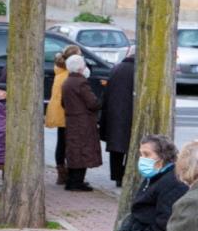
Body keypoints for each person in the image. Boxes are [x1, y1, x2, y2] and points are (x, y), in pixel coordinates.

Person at [62, 55, 102, 191]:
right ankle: (77, 182)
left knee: (73, 150)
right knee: (83, 150)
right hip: (83, 122)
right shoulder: (81, 83)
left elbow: (63, 103)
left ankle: (72, 180)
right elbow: (92, 103)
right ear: (80, 68)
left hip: (71, 120)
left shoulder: (67, 82)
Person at [45, 45, 82, 185]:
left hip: (59, 111)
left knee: (61, 142)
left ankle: (61, 172)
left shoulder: (59, 71)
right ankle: (68, 174)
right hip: (68, 112)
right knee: (69, 144)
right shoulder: (68, 75)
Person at [100, 53, 135, 187]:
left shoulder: (116, 68)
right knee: (131, 146)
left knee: (116, 146)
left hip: (114, 112)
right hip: (131, 112)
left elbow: (106, 92)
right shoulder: (137, 70)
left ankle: (116, 176)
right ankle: (127, 174)